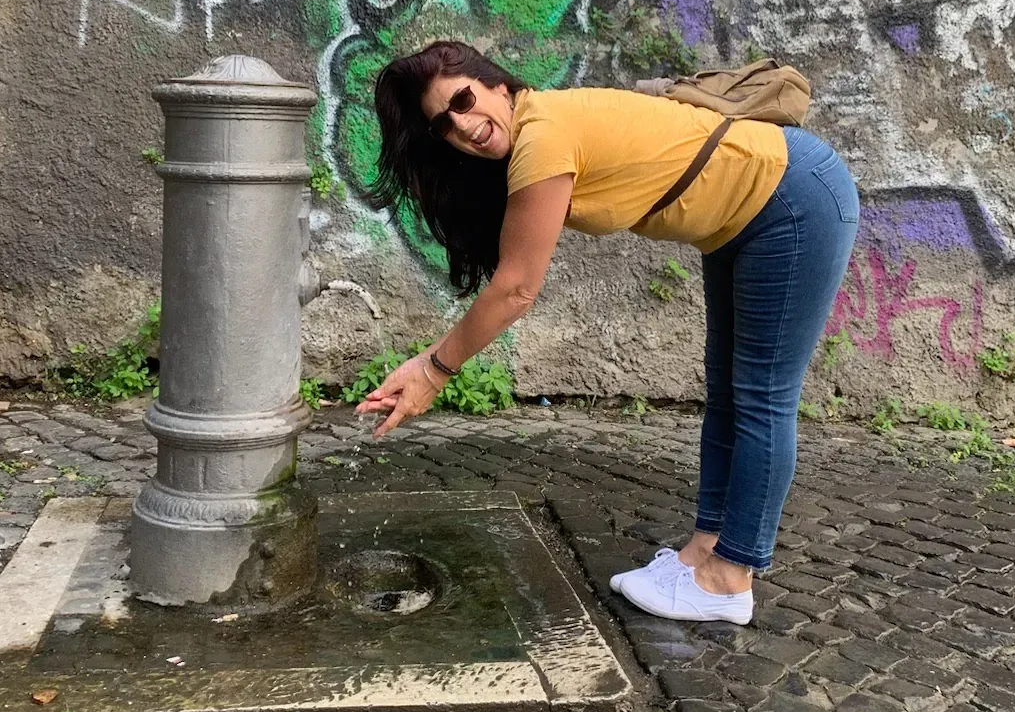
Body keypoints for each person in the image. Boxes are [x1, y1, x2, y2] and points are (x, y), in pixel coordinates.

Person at [356, 40, 859, 626]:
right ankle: (704, 552)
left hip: (791, 200)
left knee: (762, 395)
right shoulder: (538, 129)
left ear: (496, 84)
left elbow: (516, 289)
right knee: (728, 391)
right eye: (444, 124)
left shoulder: (543, 136)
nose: (463, 125)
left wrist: (433, 369)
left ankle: (729, 579)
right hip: (748, 212)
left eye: (463, 100)